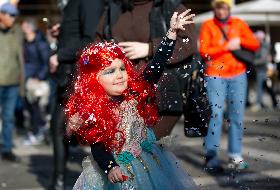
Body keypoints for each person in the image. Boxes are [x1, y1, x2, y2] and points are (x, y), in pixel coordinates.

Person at [66, 10, 197, 190]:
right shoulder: (96, 111)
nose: (119, 75)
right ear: (93, 80)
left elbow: (156, 66)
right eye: (110, 71)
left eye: (122, 69)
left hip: (149, 164)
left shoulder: (134, 93)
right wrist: (110, 167)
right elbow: (99, 147)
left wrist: (171, 34)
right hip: (121, 171)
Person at [95, 0, 197, 139]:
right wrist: (111, 53)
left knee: (148, 148)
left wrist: (149, 48)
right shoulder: (114, 9)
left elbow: (188, 44)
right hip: (122, 94)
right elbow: (97, 43)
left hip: (162, 95)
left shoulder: (171, 7)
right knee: (122, 151)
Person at [48, 0, 105, 189]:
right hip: (68, 76)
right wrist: (62, 32)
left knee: (65, 128)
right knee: (58, 127)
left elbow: (90, 40)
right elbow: (77, 34)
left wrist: (60, 55)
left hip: (78, 76)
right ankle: (59, 182)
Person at [199, 0, 260, 171]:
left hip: (238, 75)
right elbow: (204, 51)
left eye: (224, 6)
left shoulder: (239, 24)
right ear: (214, 8)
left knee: (237, 116)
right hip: (215, 75)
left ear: (229, 8)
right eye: (218, 7)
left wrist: (239, 40)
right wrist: (226, 45)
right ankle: (211, 156)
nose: (221, 10)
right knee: (216, 114)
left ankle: (235, 155)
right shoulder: (208, 25)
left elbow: (254, 44)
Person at [0, 2, 24, 162]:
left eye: (15, 15)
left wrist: (22, 84)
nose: (13, 18)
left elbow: (21, 58)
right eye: (10, 15)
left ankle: (7, 148)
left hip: (12, 82)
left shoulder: (17, 32)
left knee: (8, 117)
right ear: (1, 14)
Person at [21, 18, 50, 145]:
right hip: (26, 80)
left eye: (25, 26)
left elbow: (46, 62)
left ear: (30, 28)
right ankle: (38, 131)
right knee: (30, 108)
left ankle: (39, 131)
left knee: (37, 109)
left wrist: (39, 76)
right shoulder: (25, 42)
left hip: (36, 81)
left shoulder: (40, 43)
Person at [250, 30, 278, 111]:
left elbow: (263, 59)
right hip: (261, 70)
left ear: (259, 38)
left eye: (256, 38)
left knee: (260, 87)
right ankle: (274, 102)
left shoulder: (263, 47)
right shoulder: (261, 46)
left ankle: (258, 103)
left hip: (262, 70)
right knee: (266, 87)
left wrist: (252, 62)